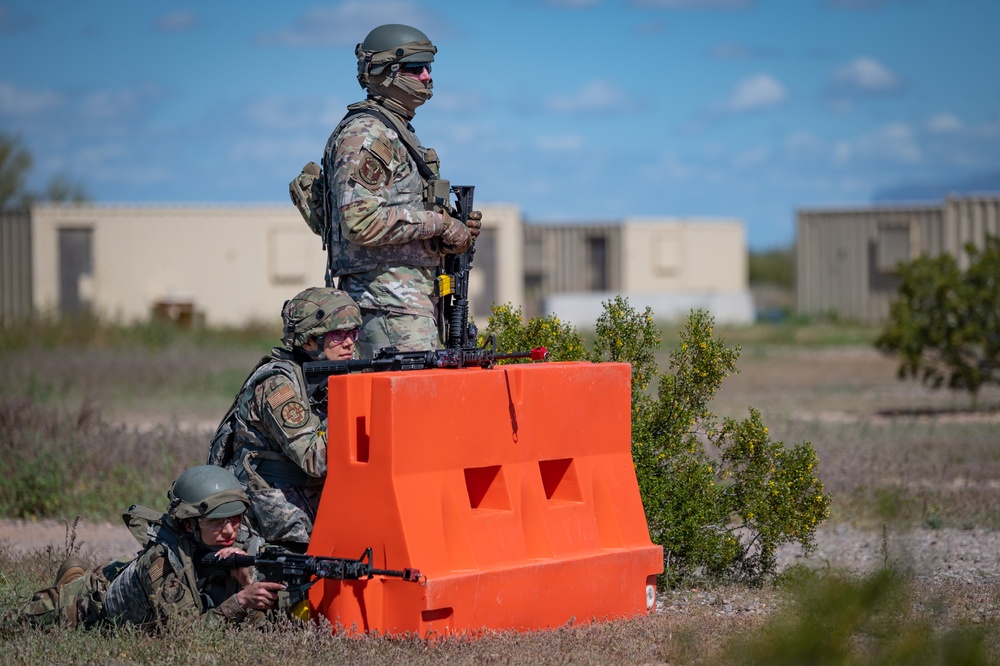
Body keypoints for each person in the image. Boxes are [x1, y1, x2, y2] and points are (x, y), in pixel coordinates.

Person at [321, 23, 482, 357]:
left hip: (404, 304)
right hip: (387, 306)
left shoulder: (396, 132)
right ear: (385, 73)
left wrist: (451, 226)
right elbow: (359, 221)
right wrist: (441, 225)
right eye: (414, 68)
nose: (426, 76)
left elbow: (398, 211)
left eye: (428, 67)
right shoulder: (369, 133)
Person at [0, 466, 285, 633]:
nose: (229, 530)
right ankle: (73, 583)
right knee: (11, 625)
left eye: (235, 519)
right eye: (216, 522)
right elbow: (185, 634)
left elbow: (256, 628)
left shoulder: (239, 547)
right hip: (89, 604)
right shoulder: (163, 562)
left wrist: (247, 582)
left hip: (137, 587)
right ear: (189, 525)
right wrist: (241, 601)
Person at [207, 286, 362, 550]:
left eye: (353, 333)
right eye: (337, 335)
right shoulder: (277, 384)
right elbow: (317, 459)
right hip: (271, 513)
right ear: (308, 340)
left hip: (311, 499)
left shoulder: (338, 371)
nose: (348, 343)